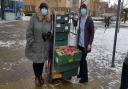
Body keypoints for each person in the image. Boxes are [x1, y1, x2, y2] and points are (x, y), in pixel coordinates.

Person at [25, 2, 51, 87]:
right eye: (42, 8)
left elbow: (50, 30)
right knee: (36, 62)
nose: (44, 10)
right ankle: (36, 77)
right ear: (40, 9)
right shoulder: (34, 17)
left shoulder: (48, 19)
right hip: (35, 44)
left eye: (45, 9)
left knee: (42, 62)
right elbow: (29, 30)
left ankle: (40, 75)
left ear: (47, 10)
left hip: (44, 45)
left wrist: (48, 35)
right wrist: (31, 41)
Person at [77, 4, 94, 83]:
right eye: (81, 9)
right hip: (80, 43)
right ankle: (80, 73)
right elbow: (79, 30)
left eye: (84, 8)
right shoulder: (80, 18)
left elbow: (92, 32)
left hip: (86, 44)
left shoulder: (89, 19)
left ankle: (85, 77)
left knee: (83, 60)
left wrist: (90, 43)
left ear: (86, 10)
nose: (82, 10)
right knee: (80, 60)